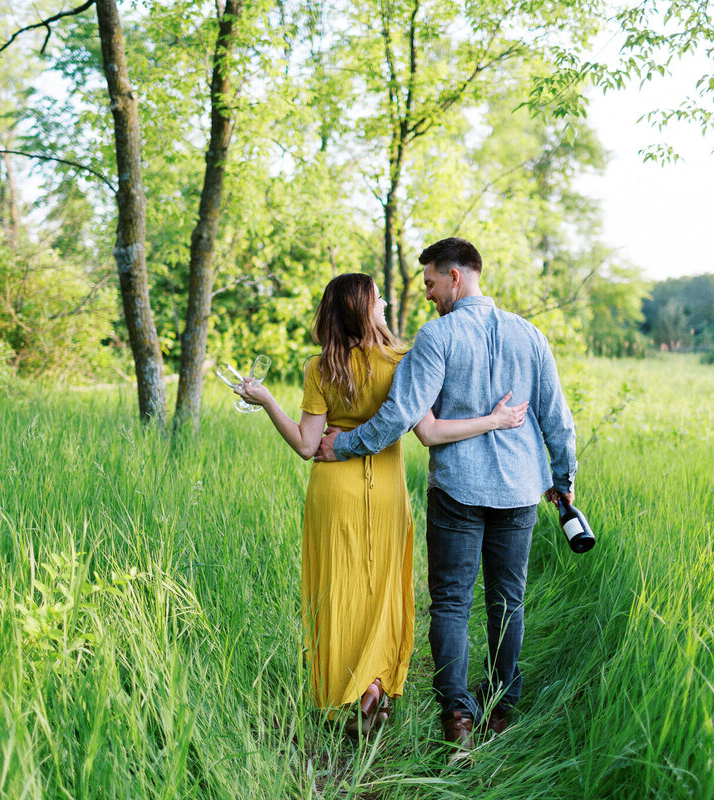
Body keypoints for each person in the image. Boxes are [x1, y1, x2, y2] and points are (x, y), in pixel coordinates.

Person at [233, 272, 529, 738]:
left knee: (338, 589)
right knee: (385, 587)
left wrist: (266, 398)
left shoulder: (320, 368)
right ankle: (374, 685)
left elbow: (307, 445)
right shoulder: (400, 360)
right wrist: (493, 419)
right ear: (363, 309)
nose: (386, 304)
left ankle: (345, 693)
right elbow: (427, 430)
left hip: (334, 492)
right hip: (387, 490)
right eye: (378, 299)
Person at [315, 238, 576, 758]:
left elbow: (398, 416)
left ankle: (456, 715)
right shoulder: (531, 335)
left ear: (455, 277)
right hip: (520, 490)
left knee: (453, 603)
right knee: (508, 600)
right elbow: (557, 416)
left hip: (458, 489)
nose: (429, 295)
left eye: (431, 283)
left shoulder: (438, 337)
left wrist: (342, 444)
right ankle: (500, 707)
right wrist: (563, 478)